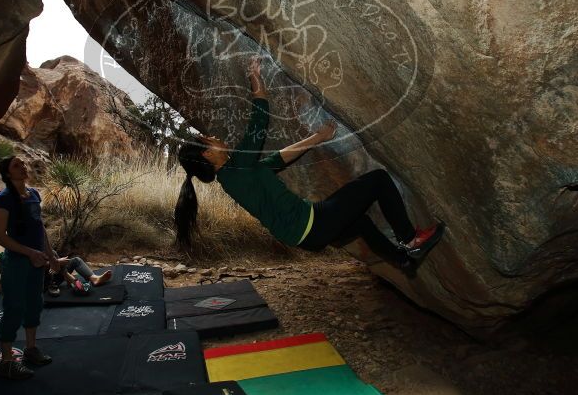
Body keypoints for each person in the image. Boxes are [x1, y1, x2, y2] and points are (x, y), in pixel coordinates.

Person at [174, 58, 444, 275]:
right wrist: (255, 77)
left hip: (308, 234)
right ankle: (410, 240)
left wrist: (317, 138)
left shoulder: (236, 174)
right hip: (312, 225)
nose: (215, 137)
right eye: (208, 139)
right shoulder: (236, 170)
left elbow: (279, 158)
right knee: (378, 181)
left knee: (360, 222)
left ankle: (403, 262)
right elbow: (259, 121)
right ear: (208, 154)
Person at [0, 155, 62, 380]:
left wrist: (50, 255)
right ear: (7, 173)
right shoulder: (2, 200)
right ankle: (7, 361)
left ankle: (30, 349)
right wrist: (30, 253)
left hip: (37, 260)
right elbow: (1, 237)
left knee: (34, 304)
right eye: (16, 165)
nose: (22, 167)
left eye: (23, 164)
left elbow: (39, 226)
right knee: (14, 306)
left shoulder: (33, 195)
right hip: (16, 262)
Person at [46, 256, 114, 297]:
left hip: (55, 270)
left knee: (76, 260)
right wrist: (56, 262)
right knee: (55, 259)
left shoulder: (44, 243)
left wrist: (57, 261)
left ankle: (94, 278)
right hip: (45, 280)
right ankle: (72, 280)